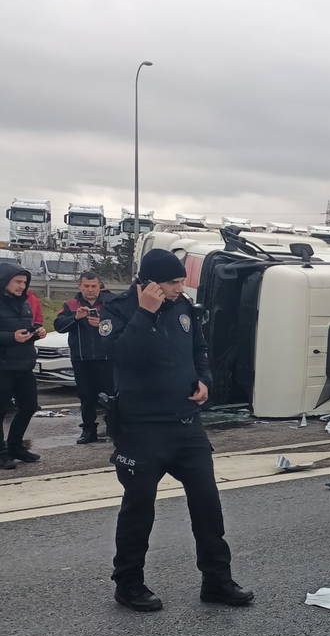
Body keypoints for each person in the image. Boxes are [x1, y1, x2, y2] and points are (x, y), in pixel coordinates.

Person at [98, 249, 253, 612]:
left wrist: (204, 379)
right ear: (149, 283)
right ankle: (129, 583)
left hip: (186, 426)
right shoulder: (118, 309)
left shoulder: (183, 306)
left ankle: (217, 580)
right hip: (140, 428)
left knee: (208, 506)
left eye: (182, 281)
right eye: (172, 282)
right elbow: (122, 356)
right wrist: (145, 313)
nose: (180, 288)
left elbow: (199, 348)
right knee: (139, 510)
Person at [54, 271, 115, 444]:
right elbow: (59, 326)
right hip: (82, 359)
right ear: (79, 287)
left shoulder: (110, 303)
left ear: (99, 286)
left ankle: (113, 428)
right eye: (86, 286)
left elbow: (122, 323)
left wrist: (103, 322)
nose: (90, 290)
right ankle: (88, 430)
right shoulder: (71, 304)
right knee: (86, 397)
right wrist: (76, 317)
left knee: (112, 396)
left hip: (107, 358)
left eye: (94, 286)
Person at [0, 263, 45, 470]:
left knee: (29, 406)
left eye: (24, 282)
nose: (22, 286)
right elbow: (11, 333)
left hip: (24, 364)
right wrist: (11, 337)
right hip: (3, 365)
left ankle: (15, 446)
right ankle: (1, 454)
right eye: (18, 282)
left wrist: (35, 331)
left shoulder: (25, 303)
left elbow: (23, 330)